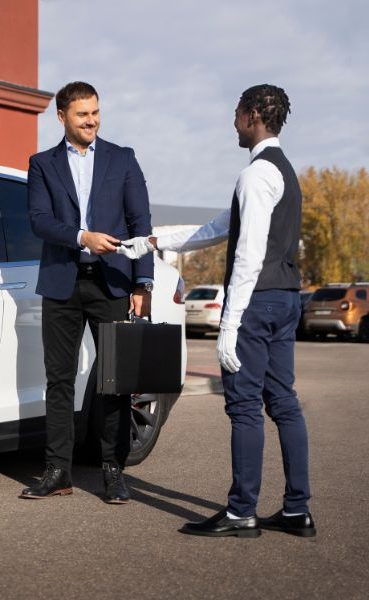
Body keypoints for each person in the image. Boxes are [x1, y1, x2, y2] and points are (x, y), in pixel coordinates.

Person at [118, 84, 315, 538]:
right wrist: (151, 242)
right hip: (284, 298)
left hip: (258, 301)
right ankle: (296, 510)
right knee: (284, 402)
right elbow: (216, 229)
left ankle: (242, 511)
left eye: (235, 114)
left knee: (245, 405)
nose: (232, 123)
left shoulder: (255, 176)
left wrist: (228, 324)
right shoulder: (282, 172)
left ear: (251, 116)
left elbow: (247, 255)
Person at [21, 81, 154, 503]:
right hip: (62, 283)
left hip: (111, 283)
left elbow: (140, 223)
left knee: (115, 382)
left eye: (95, 112)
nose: (91, 120)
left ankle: (113, 470)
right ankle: (58, 471)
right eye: (82, 114)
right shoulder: (42, 163)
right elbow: (39, 220)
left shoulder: (123, 159)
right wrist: (82, 236)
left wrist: (142, 281)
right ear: (61, 117)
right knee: (58, 380)